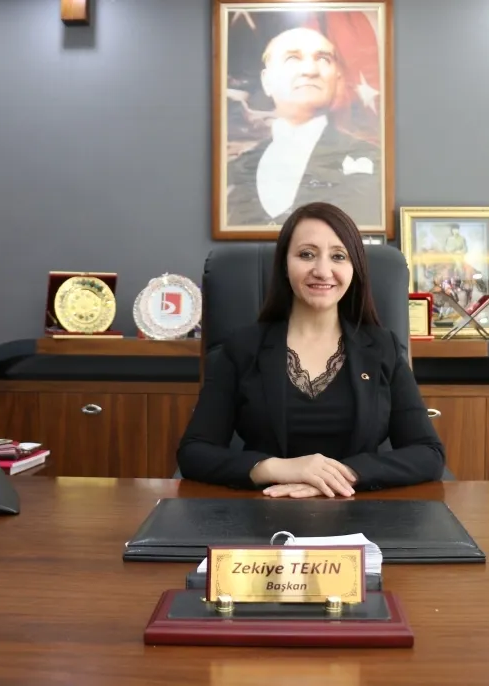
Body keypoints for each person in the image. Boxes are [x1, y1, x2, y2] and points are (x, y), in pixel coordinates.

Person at [176, 202, 445, 498]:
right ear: (284, 264)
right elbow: (194, 452)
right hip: (263, 511)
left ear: (354, 268)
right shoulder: (242, 347)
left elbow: (428, 453)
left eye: (338, 256)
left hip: (359, 510)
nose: (322, 271)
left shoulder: (382, 348)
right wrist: (275, 468)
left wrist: (341, 476)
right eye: (306, 254)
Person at [226, 27, 381, 228]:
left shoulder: (371, 159)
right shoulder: (238, 168)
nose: (310, 70)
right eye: (292, 58)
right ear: (267, 81)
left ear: (337, 80)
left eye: (323, 59)